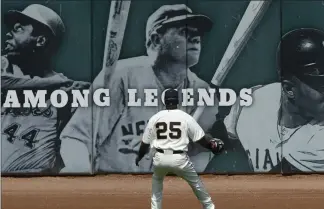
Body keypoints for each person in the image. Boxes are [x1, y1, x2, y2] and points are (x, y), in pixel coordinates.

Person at [59, 4, 227, 173]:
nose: (195, 38)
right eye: (184, 32)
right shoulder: (122, 75)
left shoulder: (202, 92)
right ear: (155, 40)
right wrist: (83, 177)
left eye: (197, 33)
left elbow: (196, 159)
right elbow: (75, 139)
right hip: (111, 184)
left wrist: (204, 148)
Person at [212, 28, 324, 173]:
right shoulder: (255, 100)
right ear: (289, 88)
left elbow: (274, 188)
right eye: (323, 85)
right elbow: (221, 138)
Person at [1, 4, 90, 174]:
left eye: (18, 29)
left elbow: (72, 140)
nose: (8, 33)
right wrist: (58, 84)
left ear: (40, 41)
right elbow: (4, 82)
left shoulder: (66, 91)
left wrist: (92, 97)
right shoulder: (5, 66)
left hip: (40, 181)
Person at [135, 89, 224, 209]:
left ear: (164, 101)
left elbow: (145, 143)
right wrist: (211, 146)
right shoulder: (185, 117)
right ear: (178, 101)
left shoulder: (156, 117)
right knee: (196, 183)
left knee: (157, 181)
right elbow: (200, 140)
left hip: (160, 158)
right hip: (179, 158)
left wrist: (139, 156)